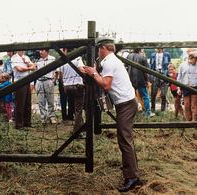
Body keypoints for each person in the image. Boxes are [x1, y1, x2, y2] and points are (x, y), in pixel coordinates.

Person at [83, 39, 139, 192]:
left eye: (98, 49)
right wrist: (93, 71)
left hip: (125, 104)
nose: (98, 53)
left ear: (102, 48)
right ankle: (133, 173)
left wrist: (93, 73)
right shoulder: (111, 60)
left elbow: (106, 85)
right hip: (127, 102)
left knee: (124, 140)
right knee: (126, 139)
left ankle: (132, 177)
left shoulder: (108, 62)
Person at [59, 48, 85, 131]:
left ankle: (80, 123)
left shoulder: (63, 61)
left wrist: (64, 84)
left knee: (73, 105)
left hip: (67, 87)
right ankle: (78, 130)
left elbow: (61, 75)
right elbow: (81, 70)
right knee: (78, 109)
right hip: (77, 86)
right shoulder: (78, 59)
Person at [127, 48, 155, 117]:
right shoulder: (143, 57)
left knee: (131, 96)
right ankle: (148, 113)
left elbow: (126, 67)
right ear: (140, 49)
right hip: (141, 79)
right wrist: (147, 80)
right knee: (146, 96)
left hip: (130, 79)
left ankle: (132, 112)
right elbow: (146, 71)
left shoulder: (129, 56)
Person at [11, 50, 36, 129]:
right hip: (19, 82)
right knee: (20, 104)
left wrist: (27, 64)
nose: (23, 50)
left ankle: (27, 122)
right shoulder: (14, 58)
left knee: (28, 103)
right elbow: (19, 69)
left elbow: (34, 67)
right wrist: (29, 67)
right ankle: (19, 124)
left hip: (27, 81)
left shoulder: (27, 57)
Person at [35, 49, 57, 124]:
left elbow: (55, 70)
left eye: (42, 50)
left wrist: (54, 79)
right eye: (40, 50)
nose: (40, 52)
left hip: (49, 80)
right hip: (39, 81)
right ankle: (43, 118)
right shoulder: (38, 61)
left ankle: (52, 117)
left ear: (47, 51)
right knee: (41, 101)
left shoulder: (52, 59)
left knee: (50, 100)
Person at [177, 52, 197, 121]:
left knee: (194, 105)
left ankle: (194, 121)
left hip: (195, 87)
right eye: (195, 59)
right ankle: (188, 120)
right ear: (190, 58)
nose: (196, 61)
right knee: (187, 105)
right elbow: (179, 78)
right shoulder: (182, 65)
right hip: (185, 87)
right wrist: (178, 88)